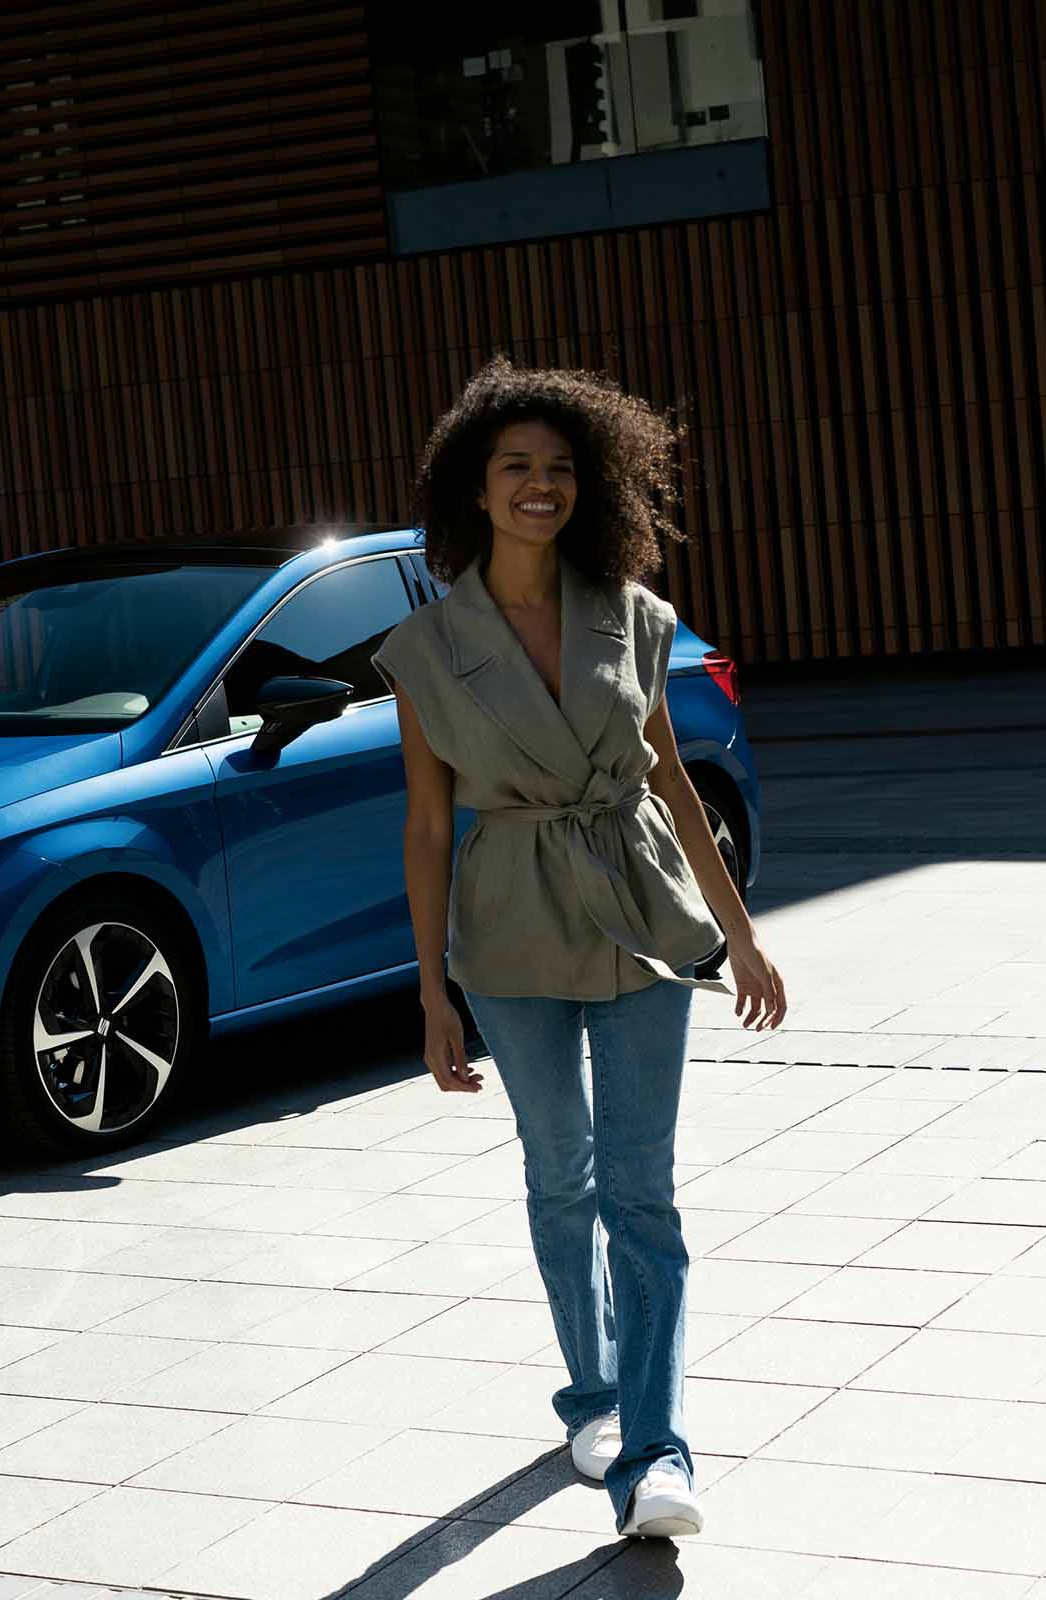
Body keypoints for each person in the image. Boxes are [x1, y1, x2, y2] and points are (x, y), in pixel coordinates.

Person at [374, 356, 789, 1541]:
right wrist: (430, 992)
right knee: (560, 1175)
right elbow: (423, 821)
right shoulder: (425, 648)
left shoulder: (634, 614)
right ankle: (593, 1395)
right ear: (475, 488)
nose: (540, 487)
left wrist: (741, 938)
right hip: (507, 932)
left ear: (592, 483)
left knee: (639, 1191)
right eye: (517, 468)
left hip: (643, 915)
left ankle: (659, 1456)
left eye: (561, 468)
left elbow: (671, 782)